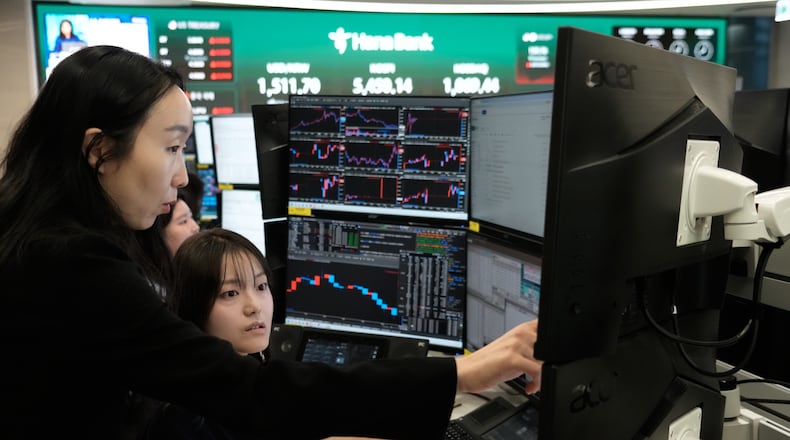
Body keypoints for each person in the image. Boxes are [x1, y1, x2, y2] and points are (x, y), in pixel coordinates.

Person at [0, 45, 542, 439]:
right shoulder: (69, 264)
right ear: (99, 151)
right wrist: (461, 372)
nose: (183, 176)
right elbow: (250, 393)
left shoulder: (37, 243)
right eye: (171, 148)